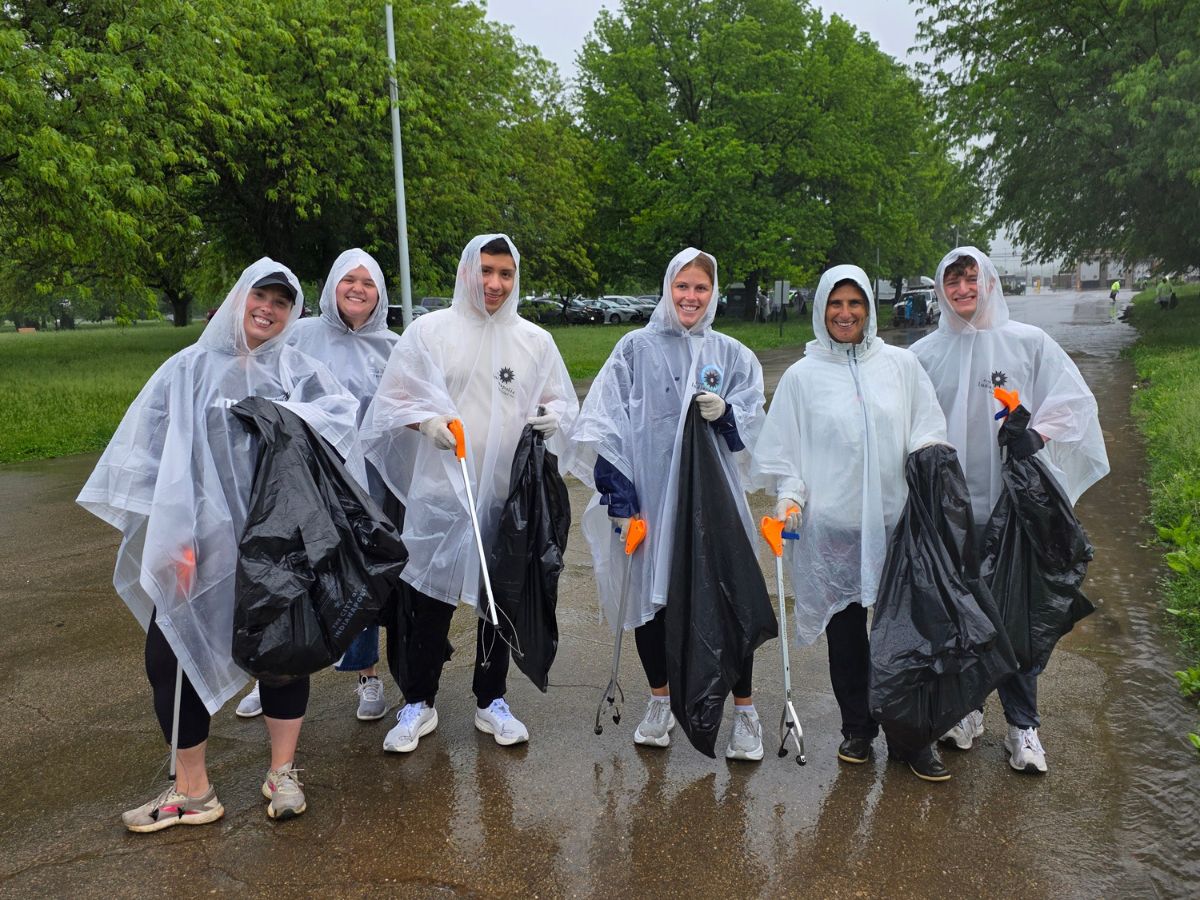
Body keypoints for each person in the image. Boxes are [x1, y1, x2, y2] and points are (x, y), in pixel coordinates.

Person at [77, 260, 362, 830]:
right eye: (261, 295)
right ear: (239, 297)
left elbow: (340, 422)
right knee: (171, 656)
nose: (269, 309)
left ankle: (283, 771)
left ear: (293, 312)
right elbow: (149, 448)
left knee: (285, 653)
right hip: (199, 543)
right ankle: (193, 789)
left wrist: (285, 415)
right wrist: (172, 534)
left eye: (283, 302)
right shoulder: (187, 369)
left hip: (279, 545)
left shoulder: (298, 370)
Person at [361, 234, 578, 753]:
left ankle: (492, 700)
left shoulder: (534, 341)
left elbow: (562, 403)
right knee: (425, 599)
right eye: (486, 271)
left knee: (496, 600)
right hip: (441, 495)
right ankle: (418, 702)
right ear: (466, 271)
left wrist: (554, 418)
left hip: (506, 498)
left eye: (505, 273)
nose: (495, 284)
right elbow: (391, 403)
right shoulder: (430, 333)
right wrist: (428, 423)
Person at [911, 247, 1109, 774]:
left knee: (1015, 616)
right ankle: (967, 709)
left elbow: (1074, 401)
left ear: (990, 283)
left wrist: (1036, 434)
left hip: (1013, 507)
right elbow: (906, 421)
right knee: (962, 615)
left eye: (971, 278)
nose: (962, 290)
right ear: (940, 290)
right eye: (952, 281)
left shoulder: (1028, 343)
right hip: (952, 510)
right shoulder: (926, 354)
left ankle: (1023, 727)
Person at [750, 265, 951, 781]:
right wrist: (788, 502)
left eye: (854, 304)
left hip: (896, 528)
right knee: (847, 637)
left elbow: (927, 430)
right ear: (821, 310)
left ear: (869, 310)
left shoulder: (901, 367)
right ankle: (857, 729)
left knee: (903, 635)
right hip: (833, 531)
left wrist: (929, 465)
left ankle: (912, 738)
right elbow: (788, 457)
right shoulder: (802, 376)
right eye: (835, 305)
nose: (845, 314)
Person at [573, 248, 768, 760]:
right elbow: (605, 421)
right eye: (682, 286)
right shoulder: (635, 349)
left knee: (729, 599)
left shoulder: (732, 356)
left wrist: (726, 416)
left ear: (713, 292)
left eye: (701, 288)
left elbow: (754, 429)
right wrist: (618, 493)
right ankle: (661, 701)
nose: (691, 297)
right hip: (651, 504)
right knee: (648, 603)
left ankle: (744, 712)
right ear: (667, 289)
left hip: (717, 507)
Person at [231, 249, 398, 723]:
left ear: (380, 292)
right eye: (349, 280)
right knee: (288, 572)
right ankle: (274, 675)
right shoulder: (299, 336)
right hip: (297, 482)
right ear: (330, 286)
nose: (358, 290)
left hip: (364, 484)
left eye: (369, 282)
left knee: (357, 576)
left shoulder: (391, 347)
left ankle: (365, 673)